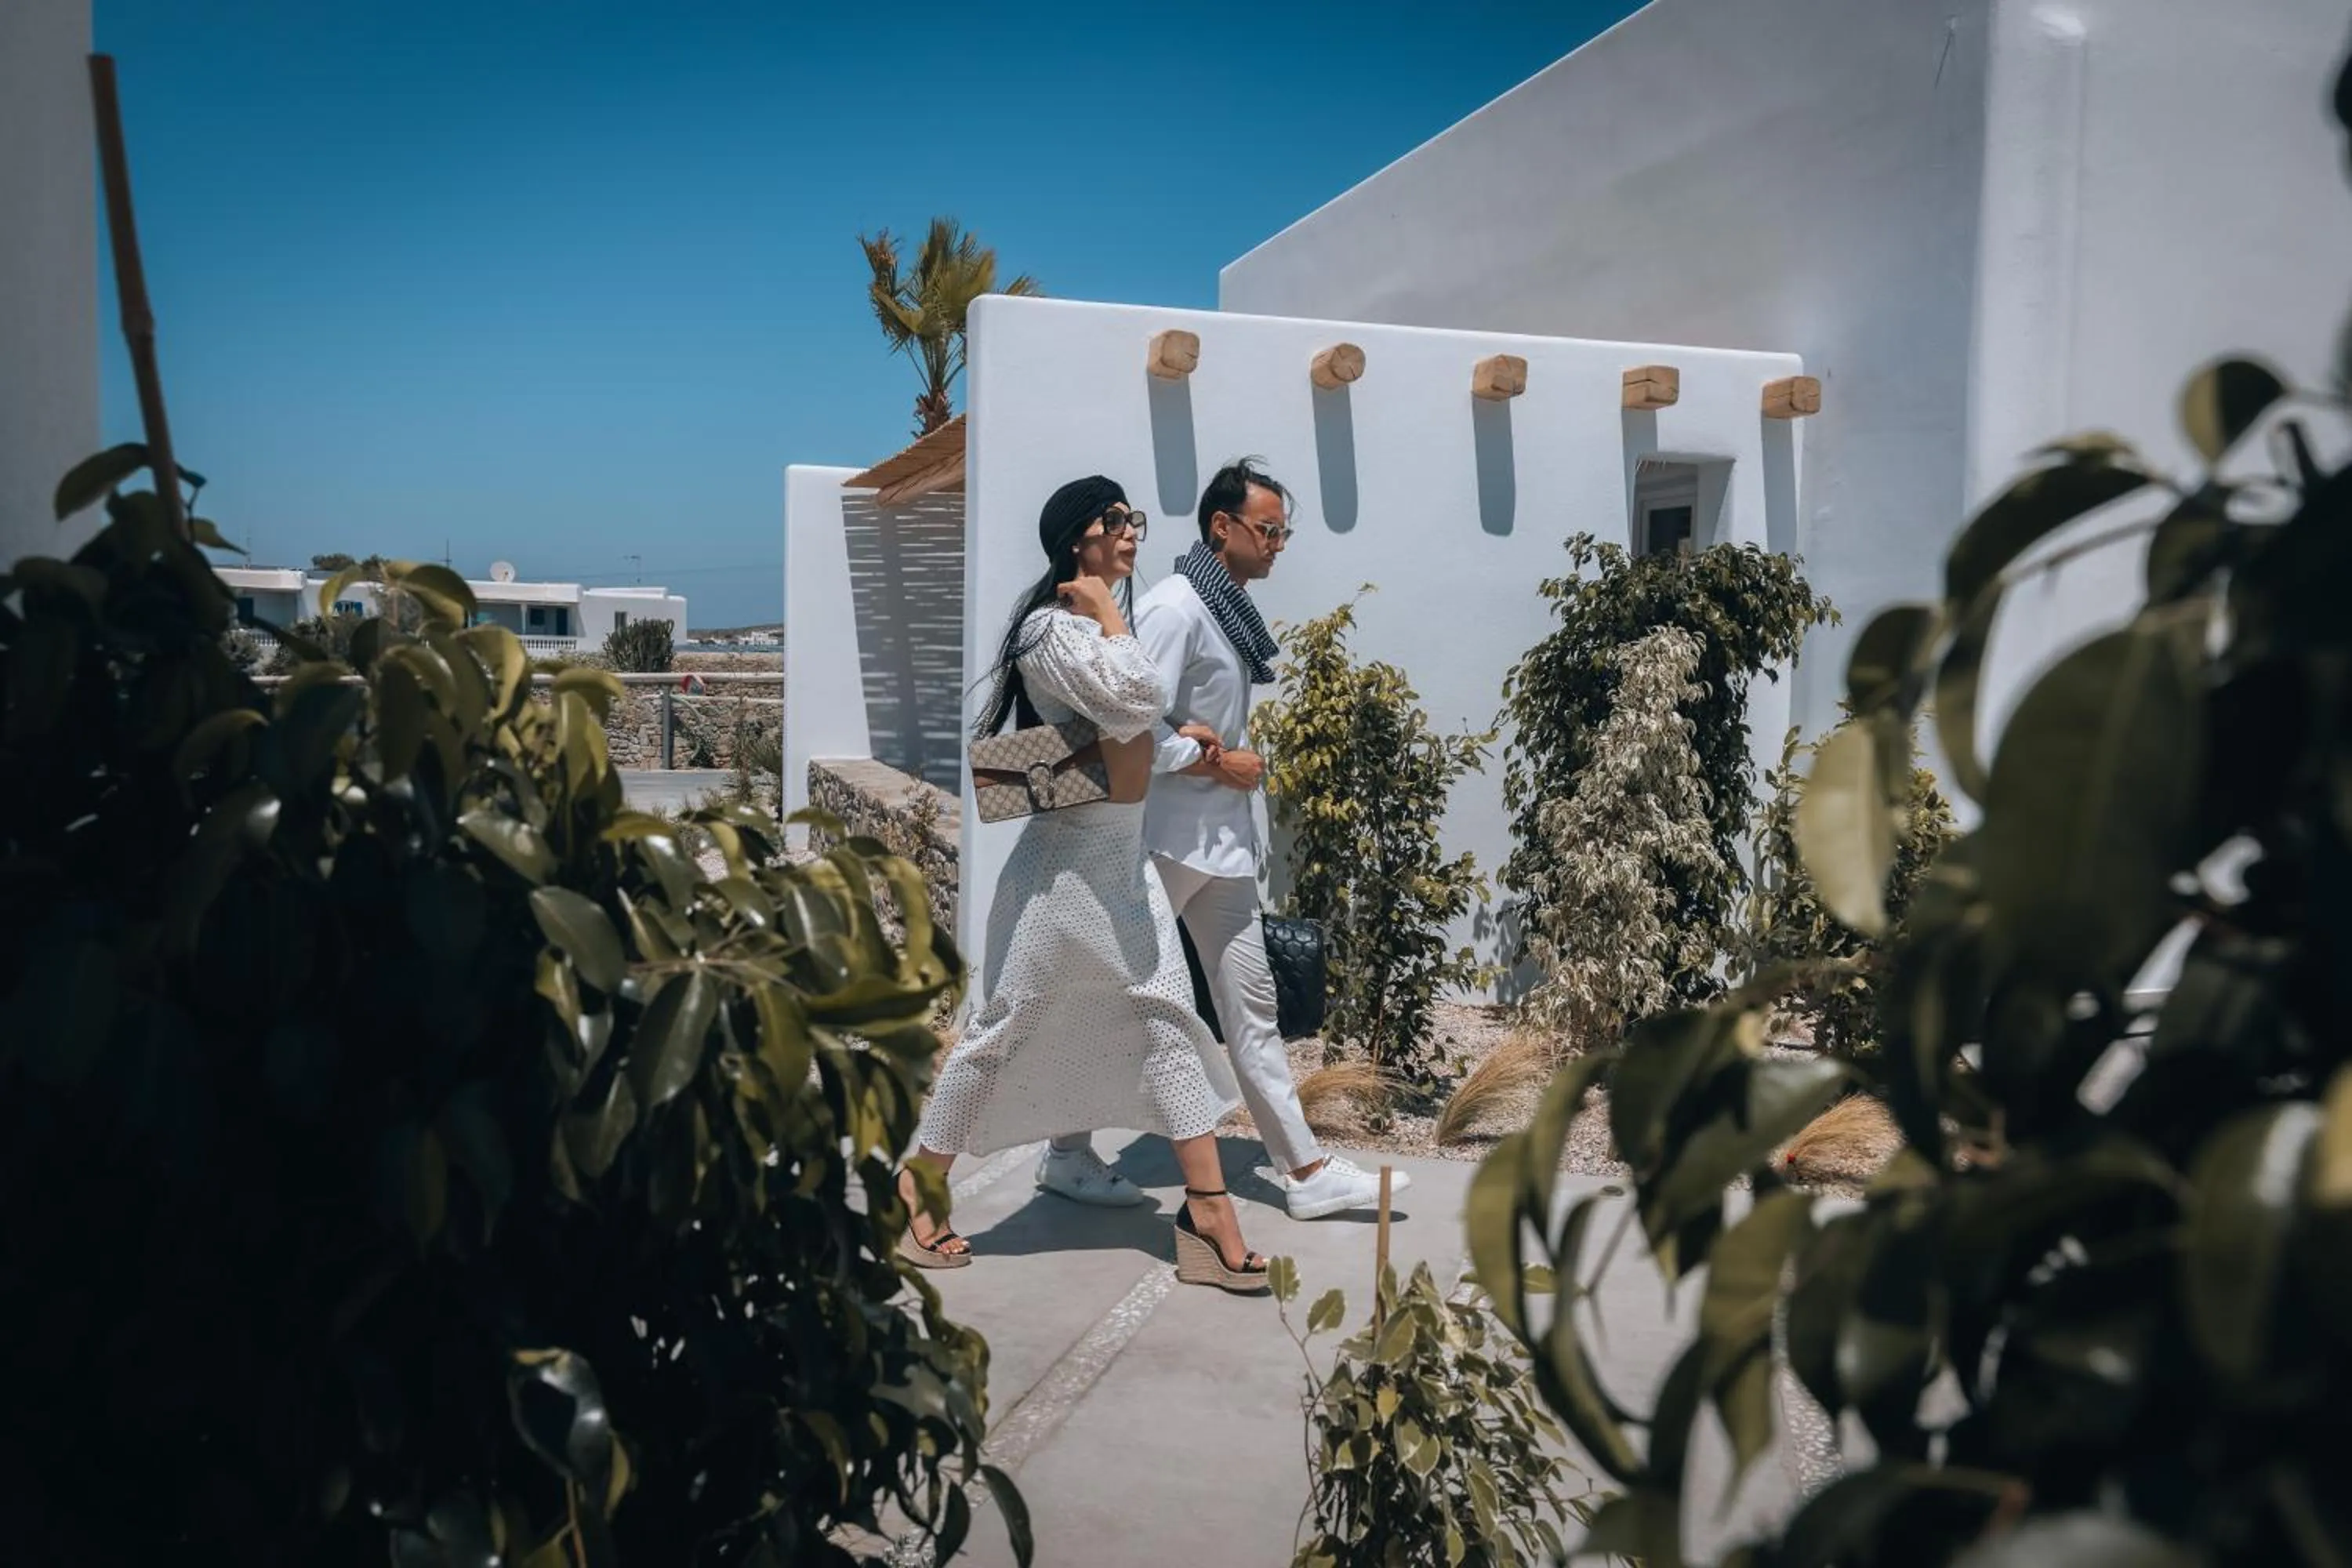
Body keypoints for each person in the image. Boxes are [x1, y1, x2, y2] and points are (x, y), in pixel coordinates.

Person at [895, 474, 1269, 1294]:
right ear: (1077, 538)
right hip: (1061, 876)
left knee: (1171, 1022)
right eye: (1114, 519)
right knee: (1005, 1030)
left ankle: (1208, 1215)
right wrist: (1108, 616)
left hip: (1123, 862)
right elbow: (1138, 697)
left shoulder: (1092, 630)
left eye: (1133, 517)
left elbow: (1131, 736)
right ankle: (917, 1189)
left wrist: (1186, 743)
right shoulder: (1048, 632)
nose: (1131, 531)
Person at [1109, 456, 1409, 1221]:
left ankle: (1304, 1173)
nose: (1279, 543)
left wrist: (1220, 763)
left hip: (1221, 849)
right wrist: (1215, 757)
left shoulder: (1227, 610)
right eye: (1268, 529)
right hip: (1171, 841)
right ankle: (1067, 1150)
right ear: (1223, 526)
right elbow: (1134, 718)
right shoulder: (1178, 607)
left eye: (1284, 531)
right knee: (1113, 994)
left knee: (1253, 1012)